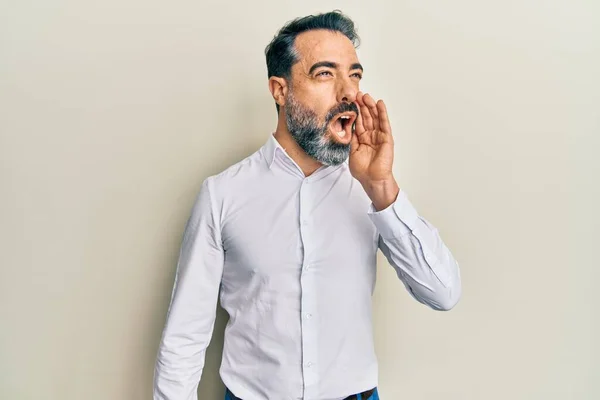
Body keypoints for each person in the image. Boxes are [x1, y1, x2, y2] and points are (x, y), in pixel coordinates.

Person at [153, 10, 461, 400]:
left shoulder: (370, 188)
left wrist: (382, 187)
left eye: (355, 74)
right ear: (280, 90)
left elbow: (443, 292)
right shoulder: (222, 195)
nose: (348, 92)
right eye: (325, 74)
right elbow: (184, 338)